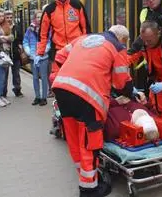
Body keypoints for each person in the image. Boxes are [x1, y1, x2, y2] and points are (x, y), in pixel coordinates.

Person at [52, 25, 135, 197]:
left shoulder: (84, 38)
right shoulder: (117, 47)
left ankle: (86, 177)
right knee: (90, 142)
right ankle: (89, 189)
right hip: (87, 97)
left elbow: (59, 56)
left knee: (74, 137)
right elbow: (121, 83)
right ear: (122, 39)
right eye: (126, 41)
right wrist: (129, 94)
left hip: (62, 88)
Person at [36, 0, 91, 70]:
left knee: (76, 79)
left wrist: (86, 47)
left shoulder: (77, 5)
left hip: (76, 49)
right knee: (58, 80)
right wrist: (40, 53)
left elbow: (85, 28)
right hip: (58, 51)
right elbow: (43, 33)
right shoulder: (49, 10)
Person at [23, 11, 50, 106]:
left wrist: (43, 52)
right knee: (35, 78)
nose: (39, 19)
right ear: (34, 18)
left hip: (43, 57)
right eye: (37, 17)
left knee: (43, 77)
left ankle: (44, 97)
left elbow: (49, 41)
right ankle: (37, 97)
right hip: (33, 57)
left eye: (41, 17)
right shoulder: (29, 30)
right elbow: (25, 41)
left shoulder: (47, 28)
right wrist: (29, 51)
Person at [2, 10, 24, 98]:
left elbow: (20, 37)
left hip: (15, 54)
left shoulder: (17, 27)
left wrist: (20, 45)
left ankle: (17, 90)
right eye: (7, 17)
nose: (9, 19)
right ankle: (3, 92)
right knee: (4, 75)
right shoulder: (1, 27)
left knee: (16, 73)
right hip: (5, 54)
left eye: (11, 17)